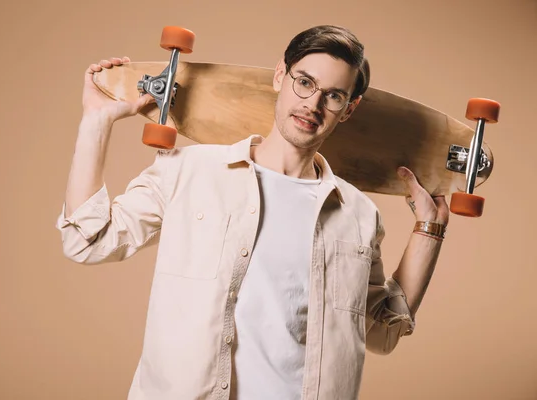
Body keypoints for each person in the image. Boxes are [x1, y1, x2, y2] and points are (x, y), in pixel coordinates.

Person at [56, 24, 448, 400]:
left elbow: (380, 330)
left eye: (333, 95)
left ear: (348, 109)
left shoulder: (358, 214)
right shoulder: (188, 171)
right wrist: (96, 122)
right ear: (280, 75)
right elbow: (87, 241)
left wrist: (429, 230)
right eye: (305, 82)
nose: (312, 104)